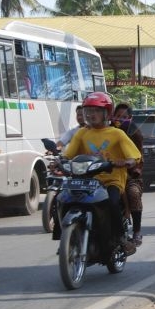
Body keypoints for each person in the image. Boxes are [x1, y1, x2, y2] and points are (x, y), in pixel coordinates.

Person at [63, 92, 141, 256]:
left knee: (111, 202)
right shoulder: (82, 133)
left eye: (96, 111)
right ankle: (66, 233)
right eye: (88, 111)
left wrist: (128, 161)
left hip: (112, 179)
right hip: (87, 179)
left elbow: (134, 155)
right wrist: (59, 161)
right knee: (63, 198)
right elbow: (68, 155)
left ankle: (121, 238)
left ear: (106, 113)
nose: (91, 115)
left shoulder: (116, 133)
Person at [112, 102, 145, 247]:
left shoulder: (135, 133)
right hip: (108, 172)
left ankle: (136, 231)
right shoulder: (107, 131)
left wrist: (135, 168)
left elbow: (139, 156)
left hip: (129, 174)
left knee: (133, 193)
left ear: (130, 118)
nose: (120, 119)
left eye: (124, 117)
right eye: (117, 116)